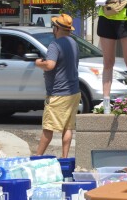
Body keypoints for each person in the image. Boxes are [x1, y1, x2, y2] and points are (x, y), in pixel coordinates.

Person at [34, 14, 80, 158]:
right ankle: (64, 158)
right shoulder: (73, 42)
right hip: (74, 91)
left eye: (54, 26)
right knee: (68, 127)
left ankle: (36, 158)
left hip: (58, 93)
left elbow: (50, 65)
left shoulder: (55, 44)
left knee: (48, 128)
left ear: (58, 28)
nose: (53, 29)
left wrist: (38, 63)